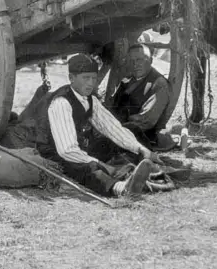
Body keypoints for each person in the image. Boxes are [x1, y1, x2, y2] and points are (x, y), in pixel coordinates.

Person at [33, 54, 161, 199]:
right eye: (86, 78)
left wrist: (140, 148)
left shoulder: (90, 99)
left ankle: (148, 169)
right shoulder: (61, 102)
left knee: (128, 133)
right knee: (87, 167)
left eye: (93, 78)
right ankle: (121, 188)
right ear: (71, 78)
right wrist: (100, 164)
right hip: (55, 154)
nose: (90, 83)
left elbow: (113, 129)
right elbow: (66, 150)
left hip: (79, 146)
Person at [109, 44, 172, 150]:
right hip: (120, 129)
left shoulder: (158, 83)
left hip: (143, 137)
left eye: (139, 60)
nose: (135, 64)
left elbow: (146, 121)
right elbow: (114, 105)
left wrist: (115, 128)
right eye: (132, 61)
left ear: (150, 60)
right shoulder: (128, 79)